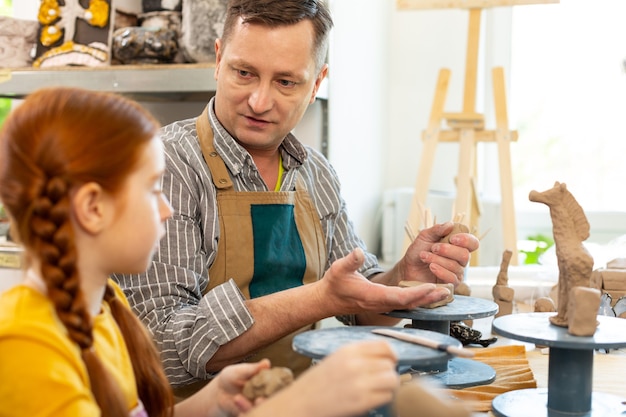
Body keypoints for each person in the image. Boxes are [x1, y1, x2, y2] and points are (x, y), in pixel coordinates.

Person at [112, 0, 479, 395]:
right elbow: (162, 349)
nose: (259, 101)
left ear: (317, 83)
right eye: (244, 73)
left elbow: (359, 305)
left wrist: (403, 278)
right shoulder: (166, 166)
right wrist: (319, 299)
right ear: (219, 60)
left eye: (286, 82)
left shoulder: (316, 173)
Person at [0, 86, 402, 417]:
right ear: (92, 208)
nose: (166, 208)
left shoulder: (105, 305)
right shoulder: (25, 347)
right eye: (152, 189)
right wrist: (297, 407)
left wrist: (209, 403)